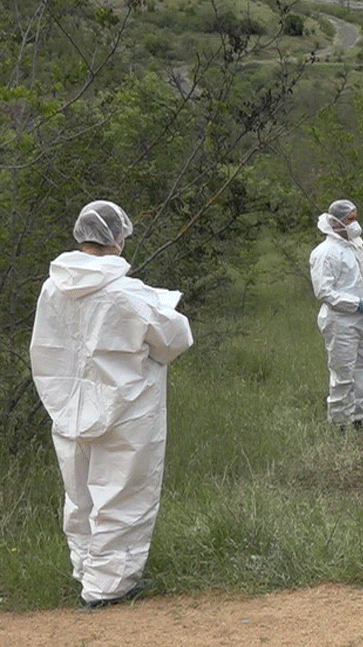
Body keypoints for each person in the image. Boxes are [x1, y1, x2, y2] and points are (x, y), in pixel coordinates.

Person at [29, 200, 194, 611]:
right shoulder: (125, 294)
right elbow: (175, 339)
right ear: (116, 237)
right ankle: (109, 588)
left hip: (69, 407)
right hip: (127, 410)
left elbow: (45, 347)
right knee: (122, 494)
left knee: (80, 493)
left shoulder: (53, 287)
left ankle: (87, 573)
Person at [309, 199, 363, 430]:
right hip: (340, 321)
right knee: (343, 372)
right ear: (335, 222)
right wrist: (357, 304)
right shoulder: (325, 253)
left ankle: (358, 417)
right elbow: (324, 292)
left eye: (355, 217)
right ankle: (340, 423)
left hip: (362, 318)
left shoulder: (354, 245)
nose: (355, 223)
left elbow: (361, 277)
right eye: (350, 219)